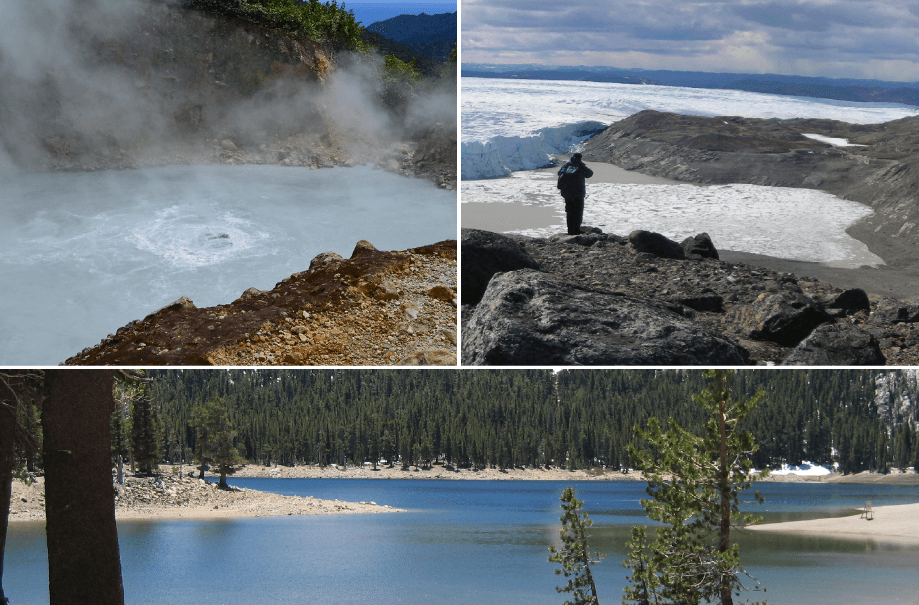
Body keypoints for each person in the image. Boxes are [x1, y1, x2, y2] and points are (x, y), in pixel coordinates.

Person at [556, 152, 594, 235]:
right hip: (578, 194)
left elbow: (559, 173)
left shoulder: (566, 165)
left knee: (569, 212)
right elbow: (589, 174)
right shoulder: (580, 166)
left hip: (567, 194)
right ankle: (576, 231)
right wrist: (582, 165)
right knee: (577, 212)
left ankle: (570, 231)